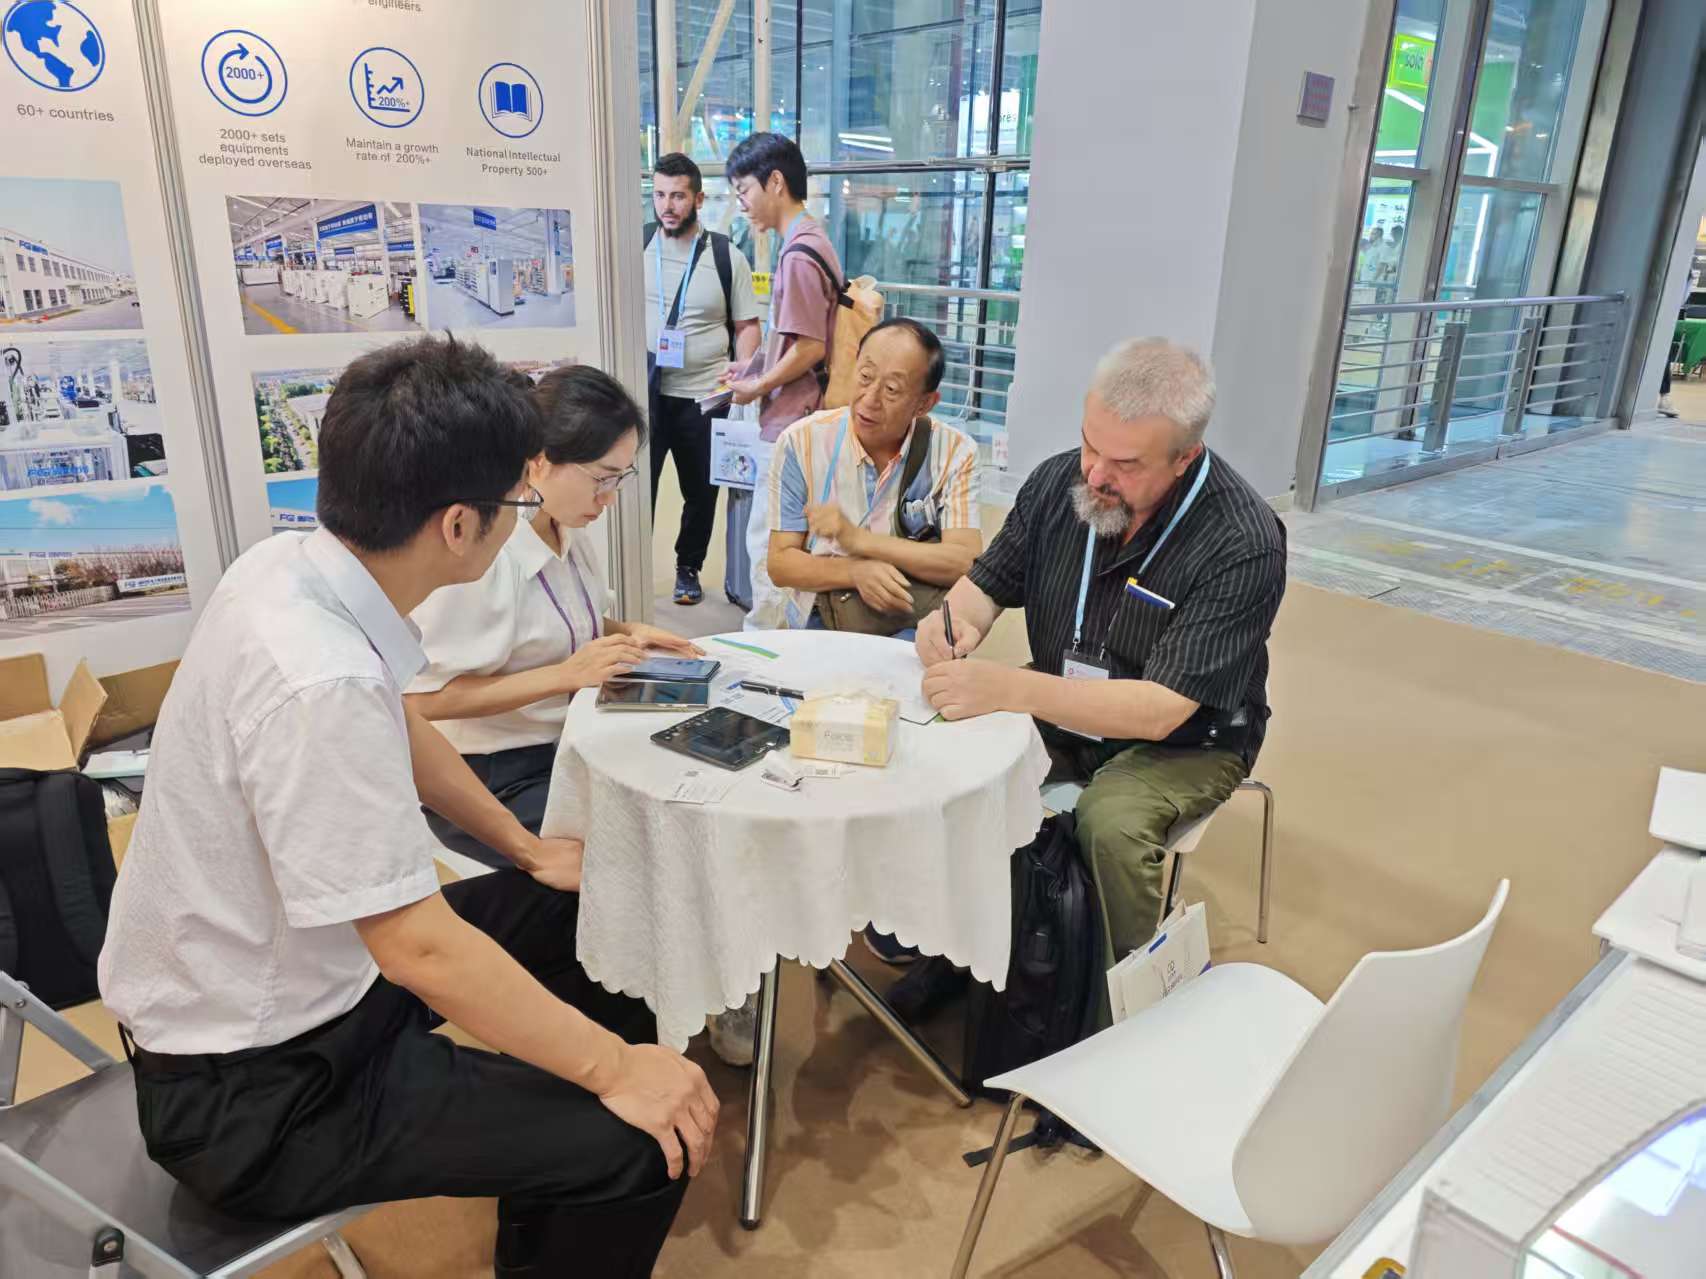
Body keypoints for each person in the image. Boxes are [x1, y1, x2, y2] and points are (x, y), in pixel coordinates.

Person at [97, 335, 717, 1279]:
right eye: (517, 500)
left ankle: (559, 1164)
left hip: (303, 987)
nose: (526, 516)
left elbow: (404, 720)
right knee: (642, 1148)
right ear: (460, 524)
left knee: (586, 906)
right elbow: (418, 948)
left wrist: (523, 848)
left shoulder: (290, 568)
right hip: (257, 1094)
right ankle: (596, 1139)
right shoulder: (321, 677)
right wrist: (616, 1069)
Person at [896, 338, 1287, 1022]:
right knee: (952, 759)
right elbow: (986, 587)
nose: (1096, 474)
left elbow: (1161, 710)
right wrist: (952, 623)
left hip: (1185, 738)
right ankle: (959, 952)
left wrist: (1009, 690)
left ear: (1185, 457)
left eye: (1127, 464)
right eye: (1089, 444)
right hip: (1063, 700)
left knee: (1111, 826)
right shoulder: (1059, 483)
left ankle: (1116, 1014)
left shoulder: (1243, 540)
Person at [407, 364, 701, 867]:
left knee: (686, 788)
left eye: (621, 479)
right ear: (539, 462)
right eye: (601, 479)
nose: (608, 499)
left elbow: (558, 625)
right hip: (492, 774)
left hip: (567, 741)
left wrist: (630, 633)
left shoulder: (566, 529)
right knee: (647, 846)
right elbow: (421, 700)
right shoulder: (484, 555)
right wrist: (564, 675)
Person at [766, 316, 982, 639]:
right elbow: (780, 563)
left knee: (923, 659)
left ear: (924, 403)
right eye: (865, 376)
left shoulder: (954, 452)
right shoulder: (801, 442)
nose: (869, 399)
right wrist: (854, 572)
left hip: (913, 620)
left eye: (892, 389)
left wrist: (859, 541)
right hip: (826, 615)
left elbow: (965, 561)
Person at [720, 131, 845, 611]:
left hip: (793, 423)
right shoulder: (813, 240)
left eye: (744, 191)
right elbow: (797, 339)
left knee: (770, 550)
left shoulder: (797, 254)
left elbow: (810, 348)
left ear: (775, 182)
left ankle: (768, 642)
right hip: (805, 419)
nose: (742, 205)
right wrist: (754, 365)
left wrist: (758, 385)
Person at [645, 152, 762, 605]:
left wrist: (742, 379)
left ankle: (687, 567)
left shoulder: (725, 256)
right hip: (647, 393)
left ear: (697, 199)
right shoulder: (637, 245)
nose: (667, 205)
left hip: (706, 397)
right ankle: (633, 566)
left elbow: (747, 326)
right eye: (659, 195)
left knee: (700, 491)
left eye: (677, 196)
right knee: (637, 487)